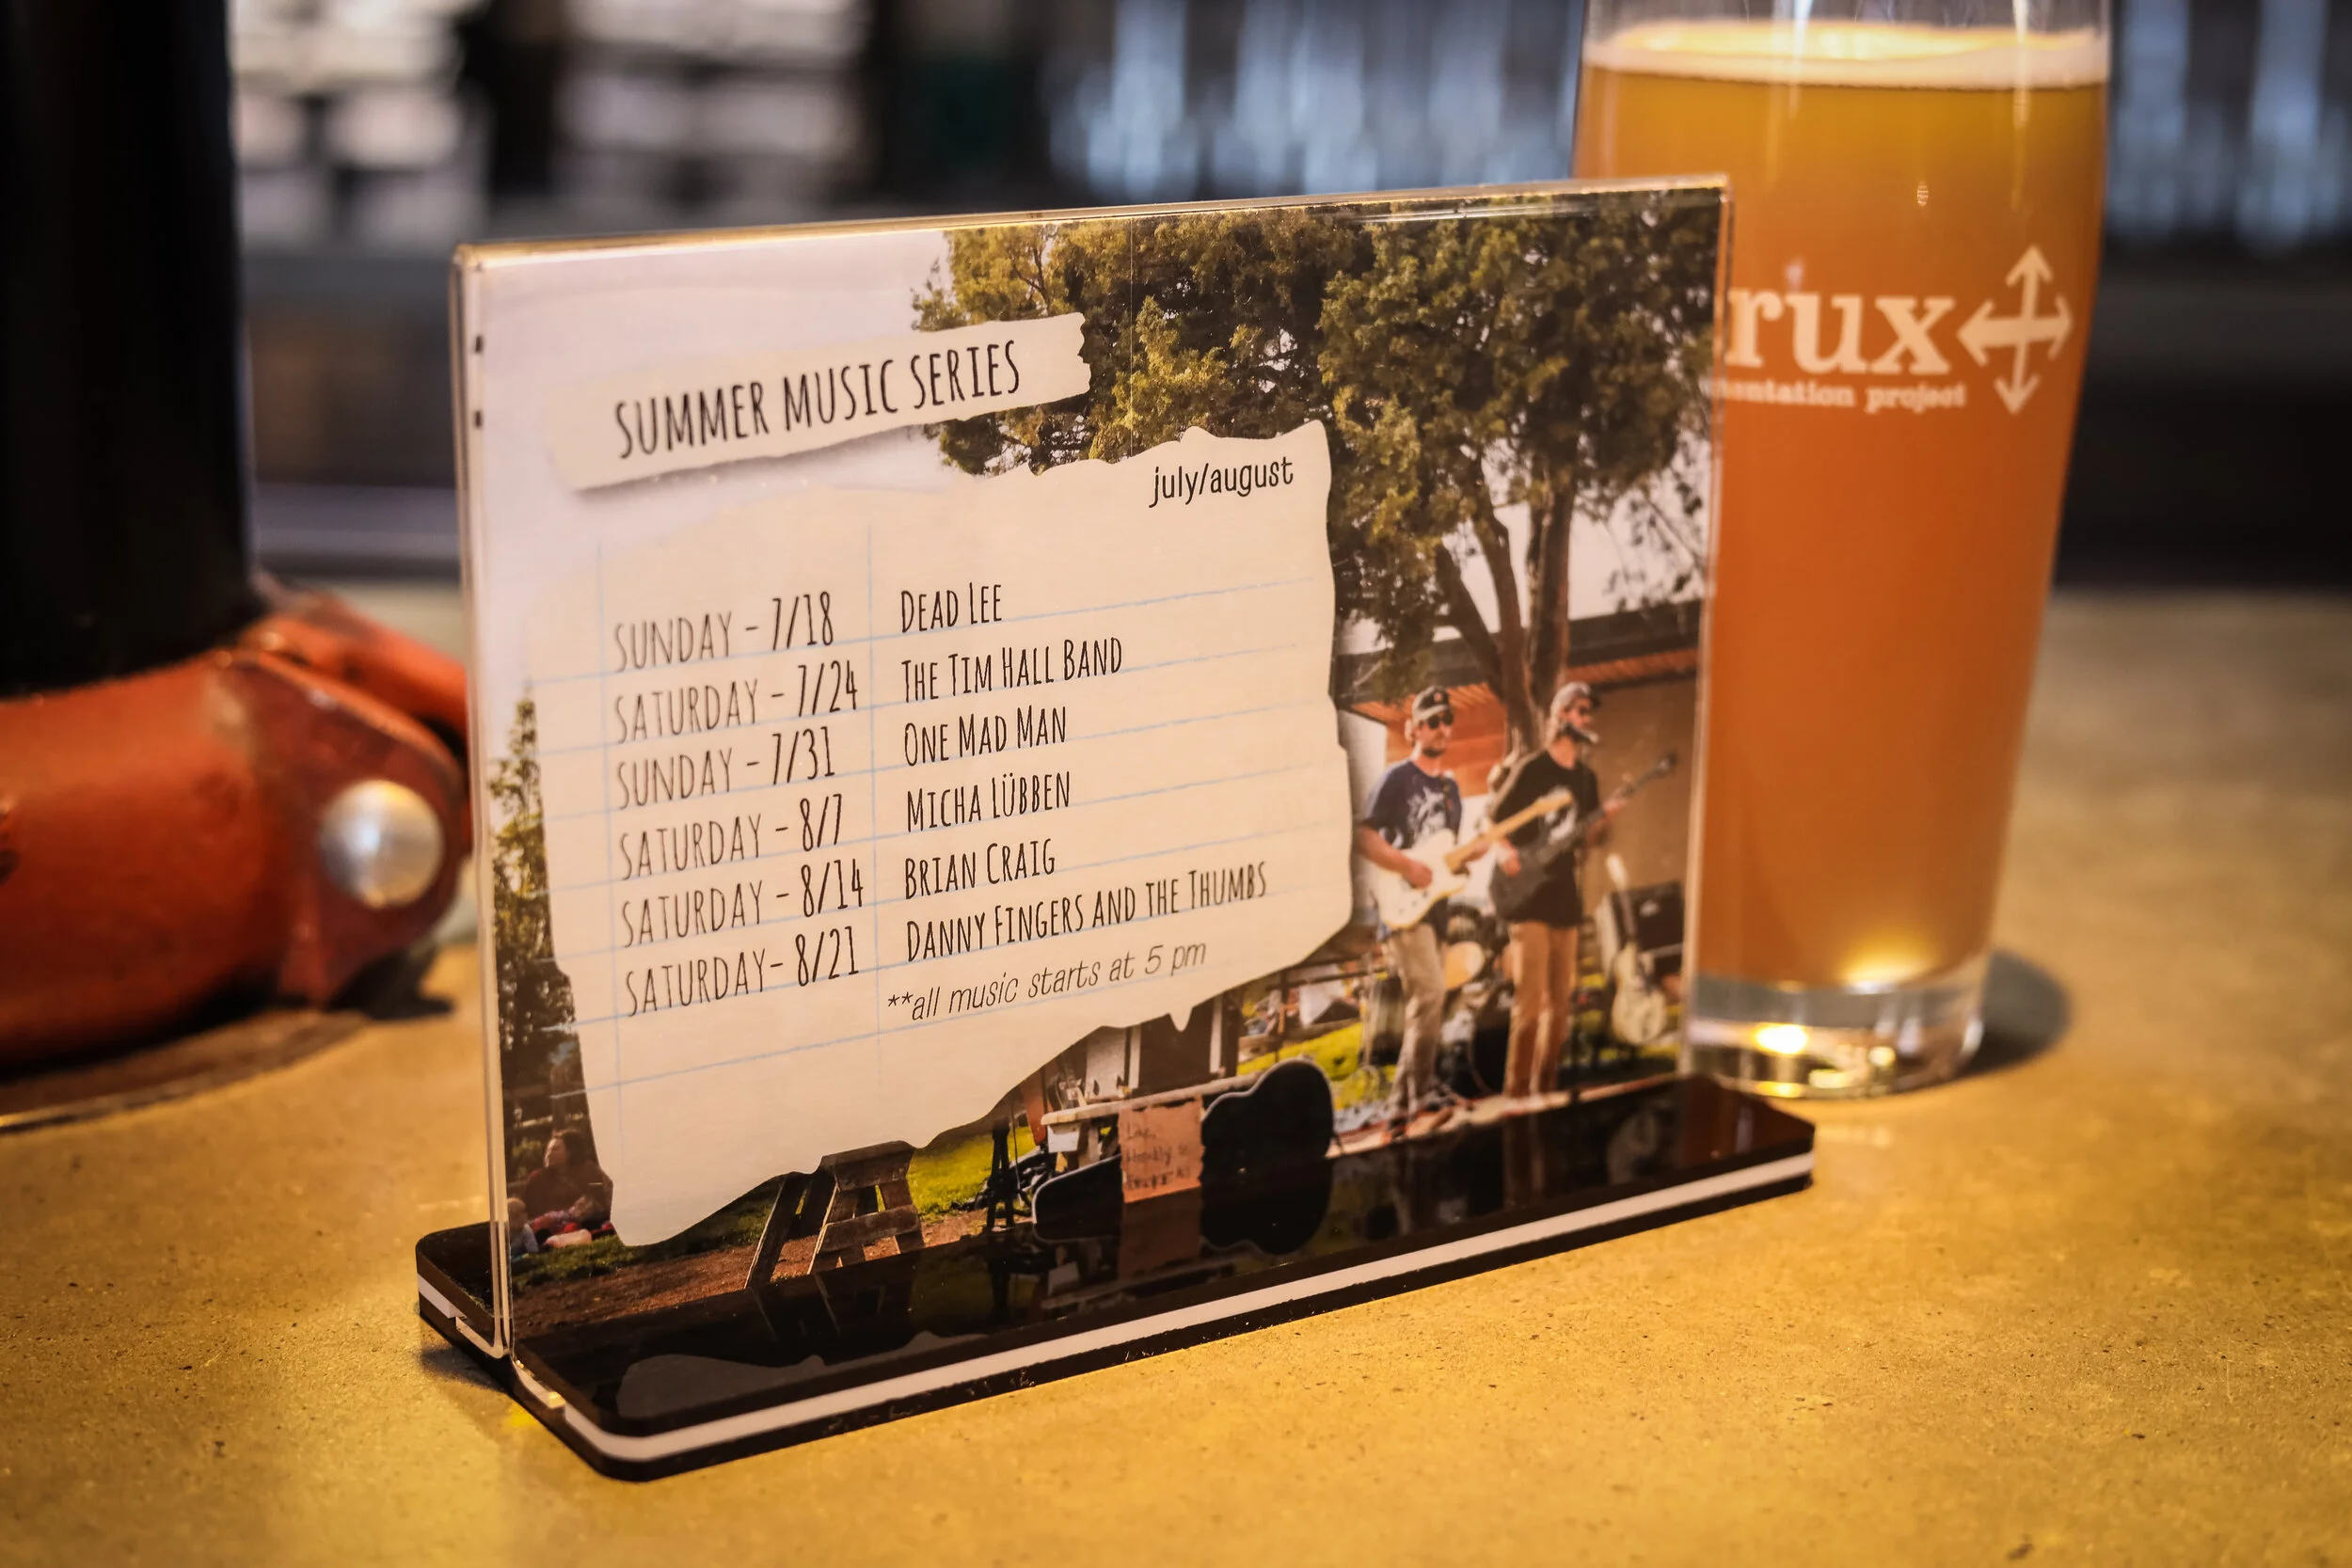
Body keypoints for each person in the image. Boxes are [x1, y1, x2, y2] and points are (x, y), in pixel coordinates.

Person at [1355, 687, 1491, 1128]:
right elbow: (1365, 837)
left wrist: (1473, 855)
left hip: (1434, 910)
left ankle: (1401, 1102)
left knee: (1428, 1001)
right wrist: (1406, 866)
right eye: (1431, 721)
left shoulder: (1452, 790)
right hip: (1402, 907)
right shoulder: (1397, 779)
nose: (1440, 728)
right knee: (1429, 994)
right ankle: (1422, 1092)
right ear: (1414, 728)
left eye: (1446, 720)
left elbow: (1444, 857)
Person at [1490, 682, 1619, 1101]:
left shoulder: (1586, 778)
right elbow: (1494, 823)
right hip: (1527, 899)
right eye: (1579, 710)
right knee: (1528, 1007)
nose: (1586, 718)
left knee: (1560, 1008)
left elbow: (1591, 839)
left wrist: (1606, 817)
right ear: (1561, 716)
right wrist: (1506, 853)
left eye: (1588, 712)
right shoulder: (1533, 769)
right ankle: (1516, 1095)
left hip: (1565, 899)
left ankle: (1544, 1093)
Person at [518, 1127, 612, 1227]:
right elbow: (528, 1212)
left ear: (570, 1152)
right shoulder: (537, 1179)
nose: (549, 1154)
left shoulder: (589, 1170)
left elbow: (602, 1199)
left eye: (555, 1149)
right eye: (548, 1150)